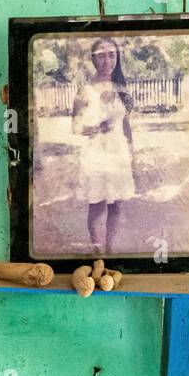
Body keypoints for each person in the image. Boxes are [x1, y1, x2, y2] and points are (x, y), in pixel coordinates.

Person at [69, 38, 136, 255]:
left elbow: (125, 123)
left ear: (117, 57)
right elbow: (76, 127)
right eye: (101, 55)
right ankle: (98, 252)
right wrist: (97, 127)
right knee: (97, 204)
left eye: (111, 55)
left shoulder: (121, 87)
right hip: (95, 154)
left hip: (118, 154)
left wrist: (132, 152)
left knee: (116, 204)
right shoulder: (85, 90)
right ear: (93, 59)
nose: (107, 61)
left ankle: (110, 248)